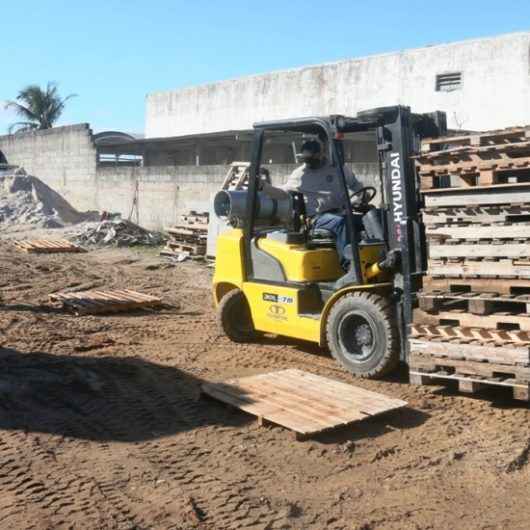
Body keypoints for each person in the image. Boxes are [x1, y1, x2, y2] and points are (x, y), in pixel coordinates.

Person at [261, 139, 362, 270]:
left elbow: (354, 184)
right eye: (306, 159)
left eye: (312, 158)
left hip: (342, 211)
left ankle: (380, 256)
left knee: (373, 217)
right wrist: (264, 187)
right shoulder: (300, 174)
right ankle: (350, 266)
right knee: (340, 223)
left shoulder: (337, 168)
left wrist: (360, 196)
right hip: (318, 218)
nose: (309, 163)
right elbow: (283, 193)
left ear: (321, 154)